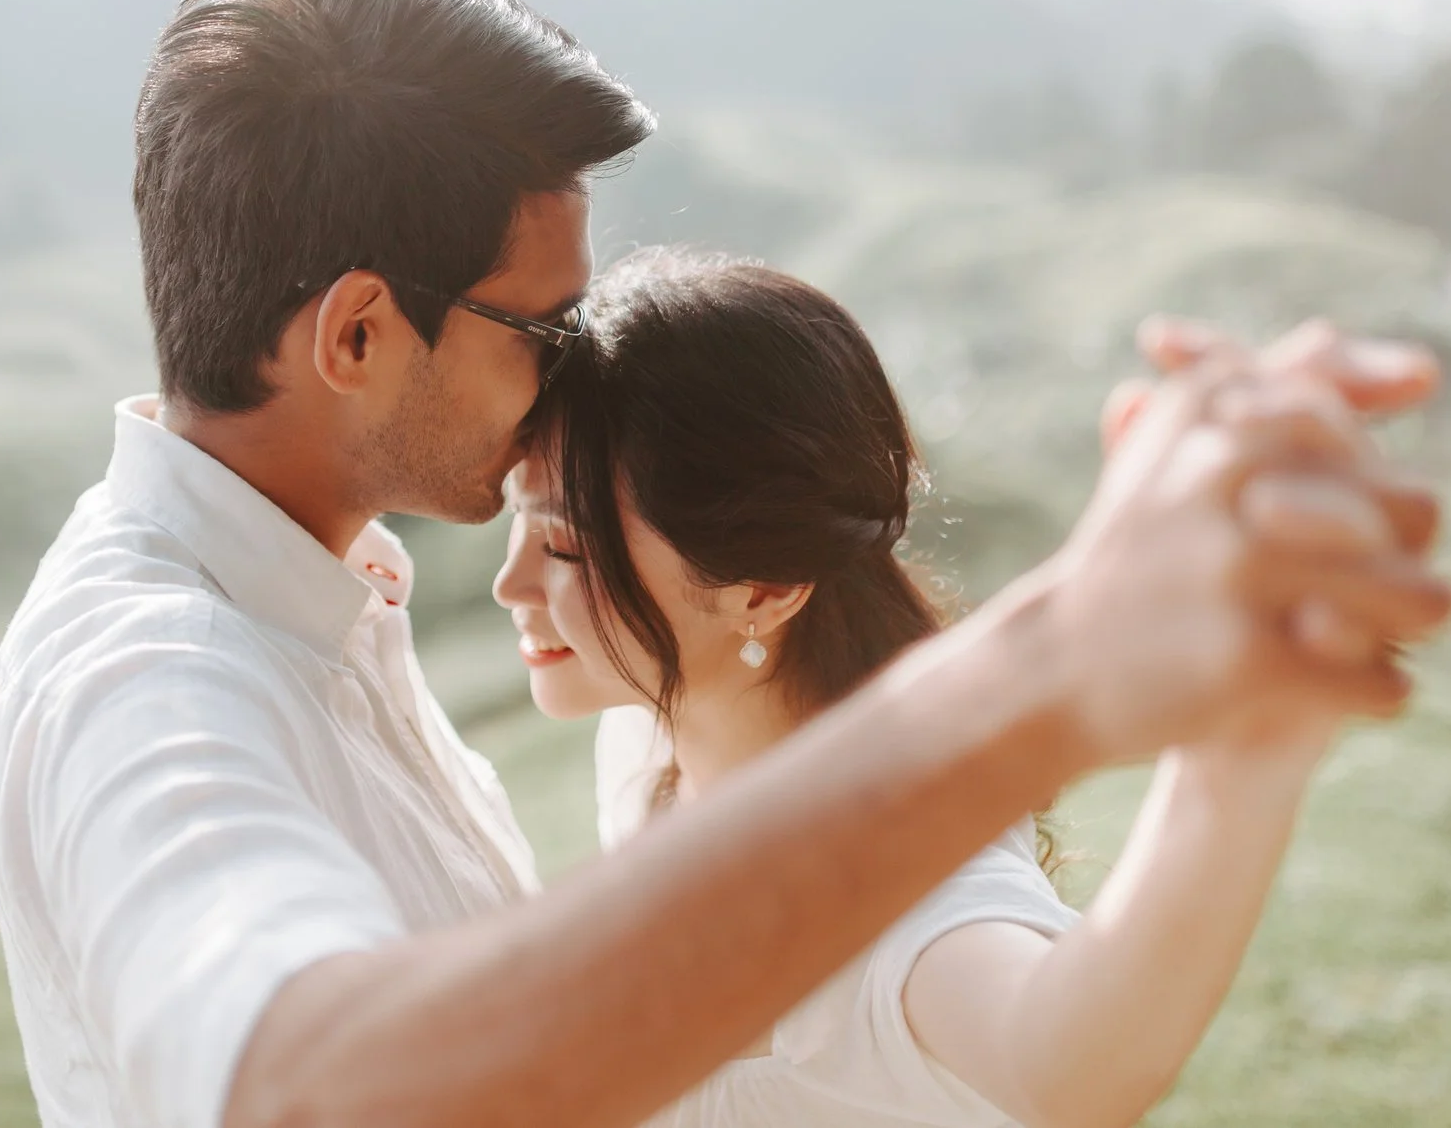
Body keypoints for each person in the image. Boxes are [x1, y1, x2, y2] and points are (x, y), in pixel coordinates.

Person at [0, 0, 1451, 1128]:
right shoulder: (146, 682)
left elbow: (1061, 1048)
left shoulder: (326, 596)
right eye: (539, 328)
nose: (566, 374)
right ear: (358, 333)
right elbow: (309, 1094)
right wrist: (1047, 669)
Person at [499, 250, 1353, 1127]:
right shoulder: (650, 751)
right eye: (519, 520)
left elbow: (1068, 1064)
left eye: (564, 545)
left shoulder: (908, 897)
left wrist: (1242, 756)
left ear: (763, 586)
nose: (510, 583)